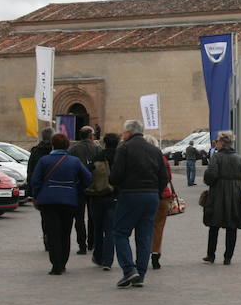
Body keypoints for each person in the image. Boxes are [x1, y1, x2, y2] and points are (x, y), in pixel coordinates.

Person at [108, 120, 168, 288]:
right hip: (151, 196)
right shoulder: (155, 150)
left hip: (130, 195)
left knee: (120, 233)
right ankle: (140, 274)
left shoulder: (124, 148)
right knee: (145, 235)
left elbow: (115, 176)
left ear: (128, 132)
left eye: (123, 132)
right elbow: (164, 177)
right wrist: (155, 191)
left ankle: (129, 269)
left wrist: (119, 185)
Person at [31, 133, 92, 275]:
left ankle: (55, 264)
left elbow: (36, 180)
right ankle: (62, 262)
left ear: (53, 145)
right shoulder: (74, 161)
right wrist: (76, 188)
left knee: (52, 233)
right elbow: (88, 178)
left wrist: (37, 194)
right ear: (67, 145)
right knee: (65, 232)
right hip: (68, 201)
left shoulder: (44, 160)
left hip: (48, 201)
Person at [202, 130, 241, 265]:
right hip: (235, 194)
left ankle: (211, 255)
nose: (216, 143)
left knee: (214, 224)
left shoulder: (216, 157)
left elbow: (211, 175)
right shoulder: (238, 158)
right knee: (232, 225)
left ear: (222, 142)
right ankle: (228, 257)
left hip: (218, 193)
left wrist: (210, 181)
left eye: (217, 141)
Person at [87, 133, 120, 271]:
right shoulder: (120, 157)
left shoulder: (97, 157)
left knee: (98, 228)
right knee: (111, 230)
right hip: (115, 197)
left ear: (104, 143)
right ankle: (108, 261)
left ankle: (98, 256)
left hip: (98, 196)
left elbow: (88, 175)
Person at [69, 126, 99, 254]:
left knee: (79, 217)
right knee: (93, 217)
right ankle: (92, 243)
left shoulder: (73, 149)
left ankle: (82, 245)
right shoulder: (97, 148)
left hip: (78, 187)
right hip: (94, 186)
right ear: (91, 136)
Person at [144, 135, 172, 270]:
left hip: (145, 194)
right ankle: (156, 254)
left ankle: (143, 253)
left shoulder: (141, 159)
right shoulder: (162, 158)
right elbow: (168, 177)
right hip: (162, 196)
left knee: (144, 225)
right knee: (159, 227)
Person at [27, 127, 54, 250]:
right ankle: (54, 239)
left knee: (45, 216)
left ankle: (47, 238)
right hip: (55, 188)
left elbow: (31, 173)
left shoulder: (36, 151)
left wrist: (32, 192)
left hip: (41, 190)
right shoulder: (56, 151)